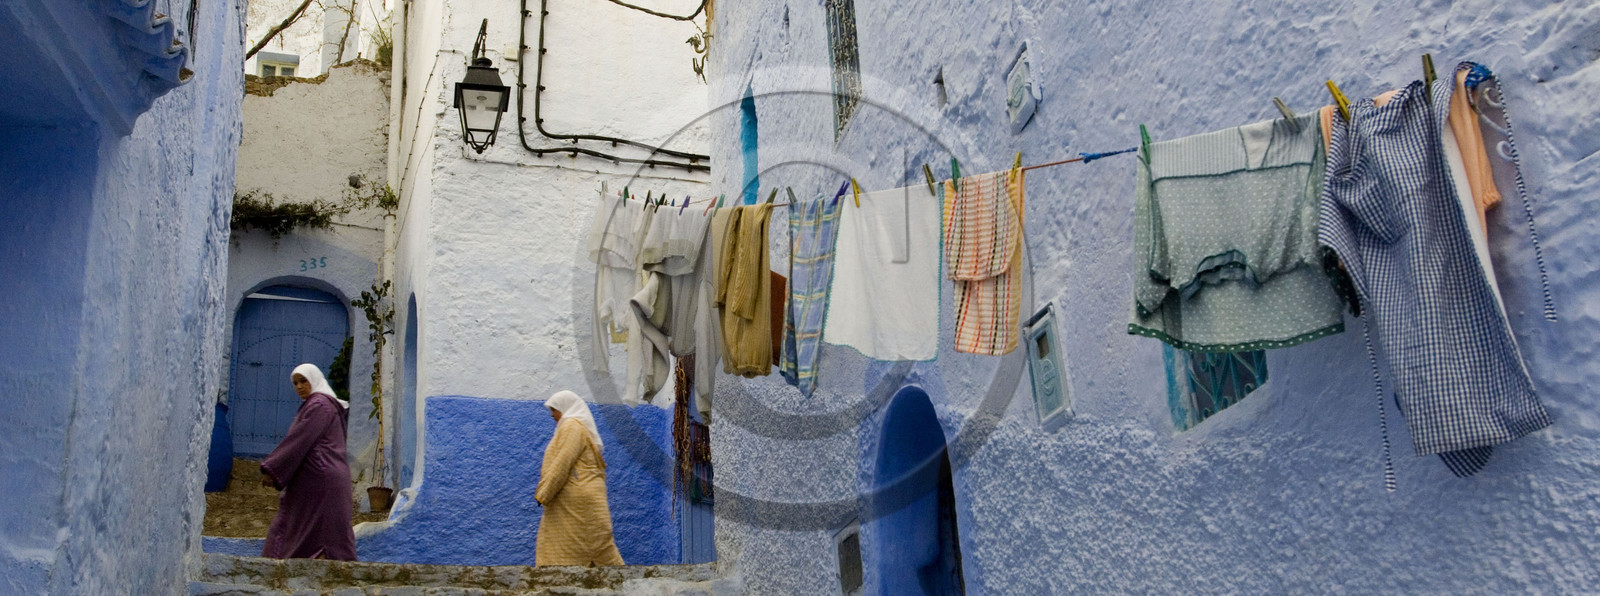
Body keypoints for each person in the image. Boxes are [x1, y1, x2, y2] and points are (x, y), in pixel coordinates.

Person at [259, 363, 357, 561]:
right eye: (295, 383)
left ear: (315, 379)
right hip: (319, 479)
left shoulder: (319, 405)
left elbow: (299, 439)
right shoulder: (324, 405)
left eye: (304, 380)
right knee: (316, 530)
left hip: (321, 479)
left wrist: (273, 468)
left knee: (312, 530)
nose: (299, 387)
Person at [534, 390, 625, 566]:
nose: (553, 415)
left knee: (580, 541)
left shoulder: (571, 426)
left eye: (555, 410)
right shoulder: (576, 426)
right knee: (595, 540)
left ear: (565, 407)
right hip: (583, 496)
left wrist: (544, 493)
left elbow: (563, 460)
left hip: (578, 501)